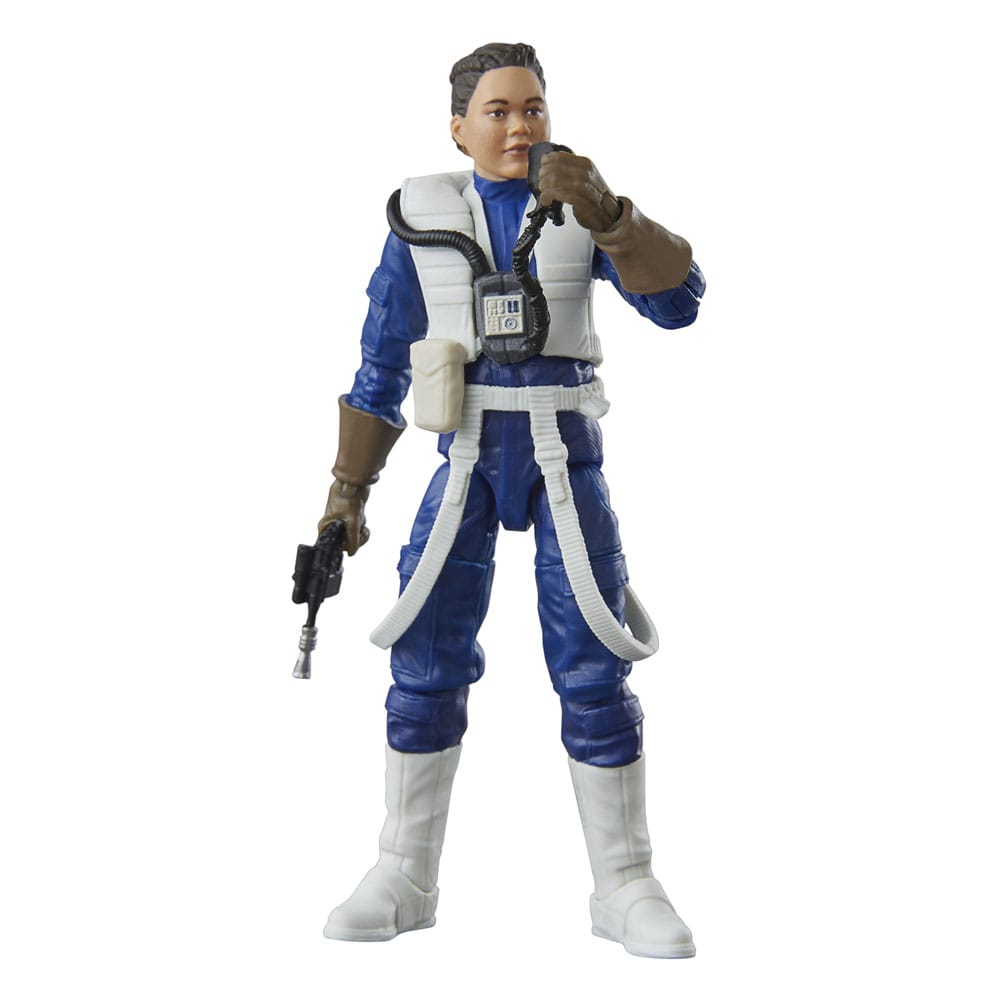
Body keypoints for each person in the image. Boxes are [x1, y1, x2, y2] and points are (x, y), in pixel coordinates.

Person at [317, 42, 705, 959]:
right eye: (497, 110)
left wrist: (610, 216)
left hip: (564, 454)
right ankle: (404, 871)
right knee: (424, 653)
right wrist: (346, 491)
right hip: (463, 455)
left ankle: (625, 881)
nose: (520, 126)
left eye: (533, 108)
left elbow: (680, 302)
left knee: (593, 661)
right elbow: (380, 356)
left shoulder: (582, 206)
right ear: (459, 128)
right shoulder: (421, 222)